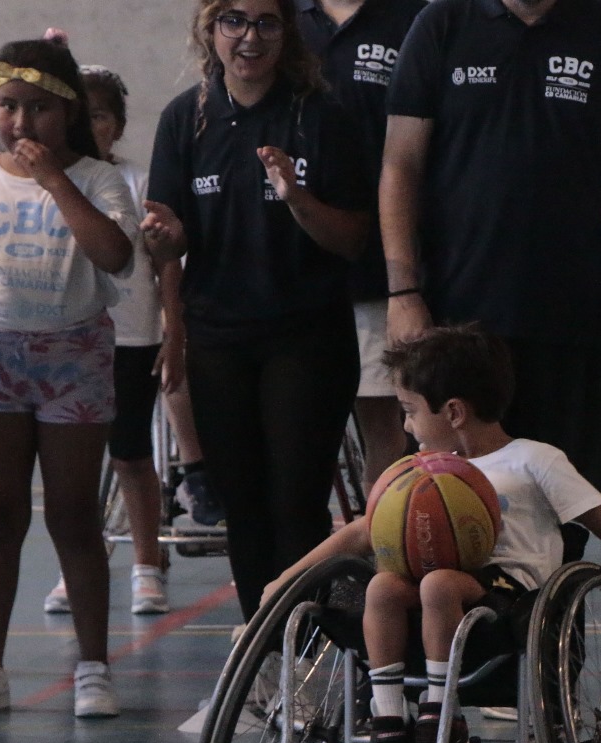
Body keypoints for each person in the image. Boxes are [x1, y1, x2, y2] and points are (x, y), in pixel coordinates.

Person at [267, 325, 601, 743]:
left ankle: (441, 717)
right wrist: (288, 577)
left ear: (453, 412)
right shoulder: (416, 471)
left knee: (440, 584)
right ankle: (389, 719)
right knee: (383, 588)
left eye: (409, 412)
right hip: (435, 602)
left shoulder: (534, 460)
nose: (405, 426)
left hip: (514, 605)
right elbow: (363, 531)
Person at [378, 0, 601, 555]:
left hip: (570, 318)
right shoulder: (442, 24)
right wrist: (403, 291)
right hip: (461, 326)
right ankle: (466, 640)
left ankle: (558, 640)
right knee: (453, 507)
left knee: (569, 506)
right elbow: (399, 166)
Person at [143, 0, 372, 623]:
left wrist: (297, 199)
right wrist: (172, 312)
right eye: (234, 22)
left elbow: (353, 238)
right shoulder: (184, 120)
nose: (250, 37)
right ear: (211, 31)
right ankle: (264, 646)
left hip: (307, 335)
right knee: (242, 505)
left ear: (288, 33)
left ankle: (310, 642)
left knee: (295, 502)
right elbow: (170, 241)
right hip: (219, 339)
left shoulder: (321, 117)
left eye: (267, 22)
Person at [0, 39, 138, 717]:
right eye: (8, 106)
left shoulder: (98, 179)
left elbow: (114, 255)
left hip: (73, 356)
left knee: (74, 514)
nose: (21, 123)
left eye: (39, 109)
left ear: (67, 112)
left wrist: (55, 181)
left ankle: (94, 667)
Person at [41, 65, 191, 617]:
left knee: (130, 453)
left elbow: (165, 264)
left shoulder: (137, 182)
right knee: (72, 465)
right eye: (86, 115)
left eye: (103, 115)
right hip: (67, 337)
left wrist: (173, 332)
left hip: (129, 338)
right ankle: (75, 565)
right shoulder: (54, 178)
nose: (93, 125)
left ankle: (147, 564)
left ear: (119, 125)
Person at [295, 0, 426, 490]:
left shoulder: (414, 17)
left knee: (382, 423)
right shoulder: (278, 19)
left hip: (374, 264)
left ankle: (383, 555)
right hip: (293, 266)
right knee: (295, 426)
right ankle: (299, 559)